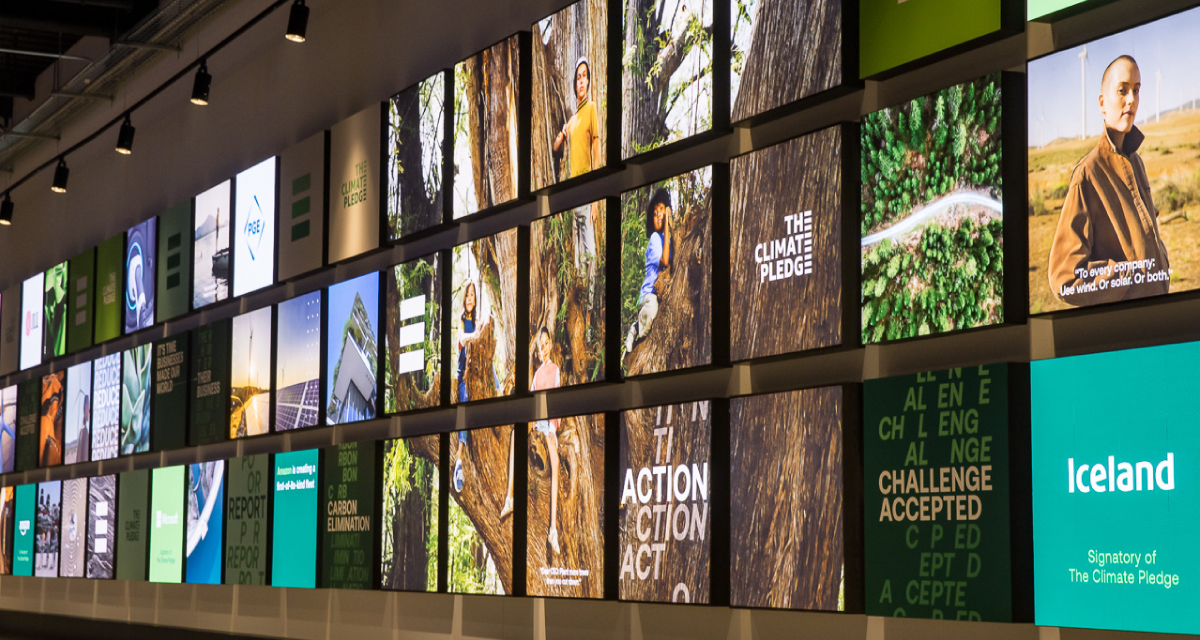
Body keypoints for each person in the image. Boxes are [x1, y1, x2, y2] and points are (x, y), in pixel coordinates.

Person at [1048, 55, 1171, 306]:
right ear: (1102, 103)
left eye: (1136, 90)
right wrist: (1126, 276)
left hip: (1159, 316)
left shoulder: (1137, 162)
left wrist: (1161, 260)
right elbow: (1065, 277)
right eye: (1122, 90)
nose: (1132, 100)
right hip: (1127, 331)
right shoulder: (1087, 174)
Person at [500, 328, 562, 551]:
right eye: (540, 346)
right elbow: (531, 398)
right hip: (535, 421)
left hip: (548, 424)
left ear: (551, 344)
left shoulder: (555, 370)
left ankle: (552, 530)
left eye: (546, 343)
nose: (543, 348)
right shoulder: (537, 374)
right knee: (516, 434)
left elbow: (555, 403)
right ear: (537, 352)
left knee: (554, 465)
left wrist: (553, 430)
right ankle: (510, 497)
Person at [625, 189, 672, 353]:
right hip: (650, 294)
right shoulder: (654, 239)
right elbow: (665, 261)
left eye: (661, 209)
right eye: (655, 213)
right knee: (652, 310)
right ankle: (635, 328)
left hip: (660, 294)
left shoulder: (668, 239)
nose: (658, 214)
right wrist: (666, 223)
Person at [553, 58, 601, 181]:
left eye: (584, 76)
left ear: (587, 80)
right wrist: (562, 135)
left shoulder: (591, 108)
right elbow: (555, 147)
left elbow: (596, 147)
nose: (581, 81)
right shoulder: (571, 122)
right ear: (575, 85)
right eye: (578, 77)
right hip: (572, 183)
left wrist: (596, 184)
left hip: (587, 180)